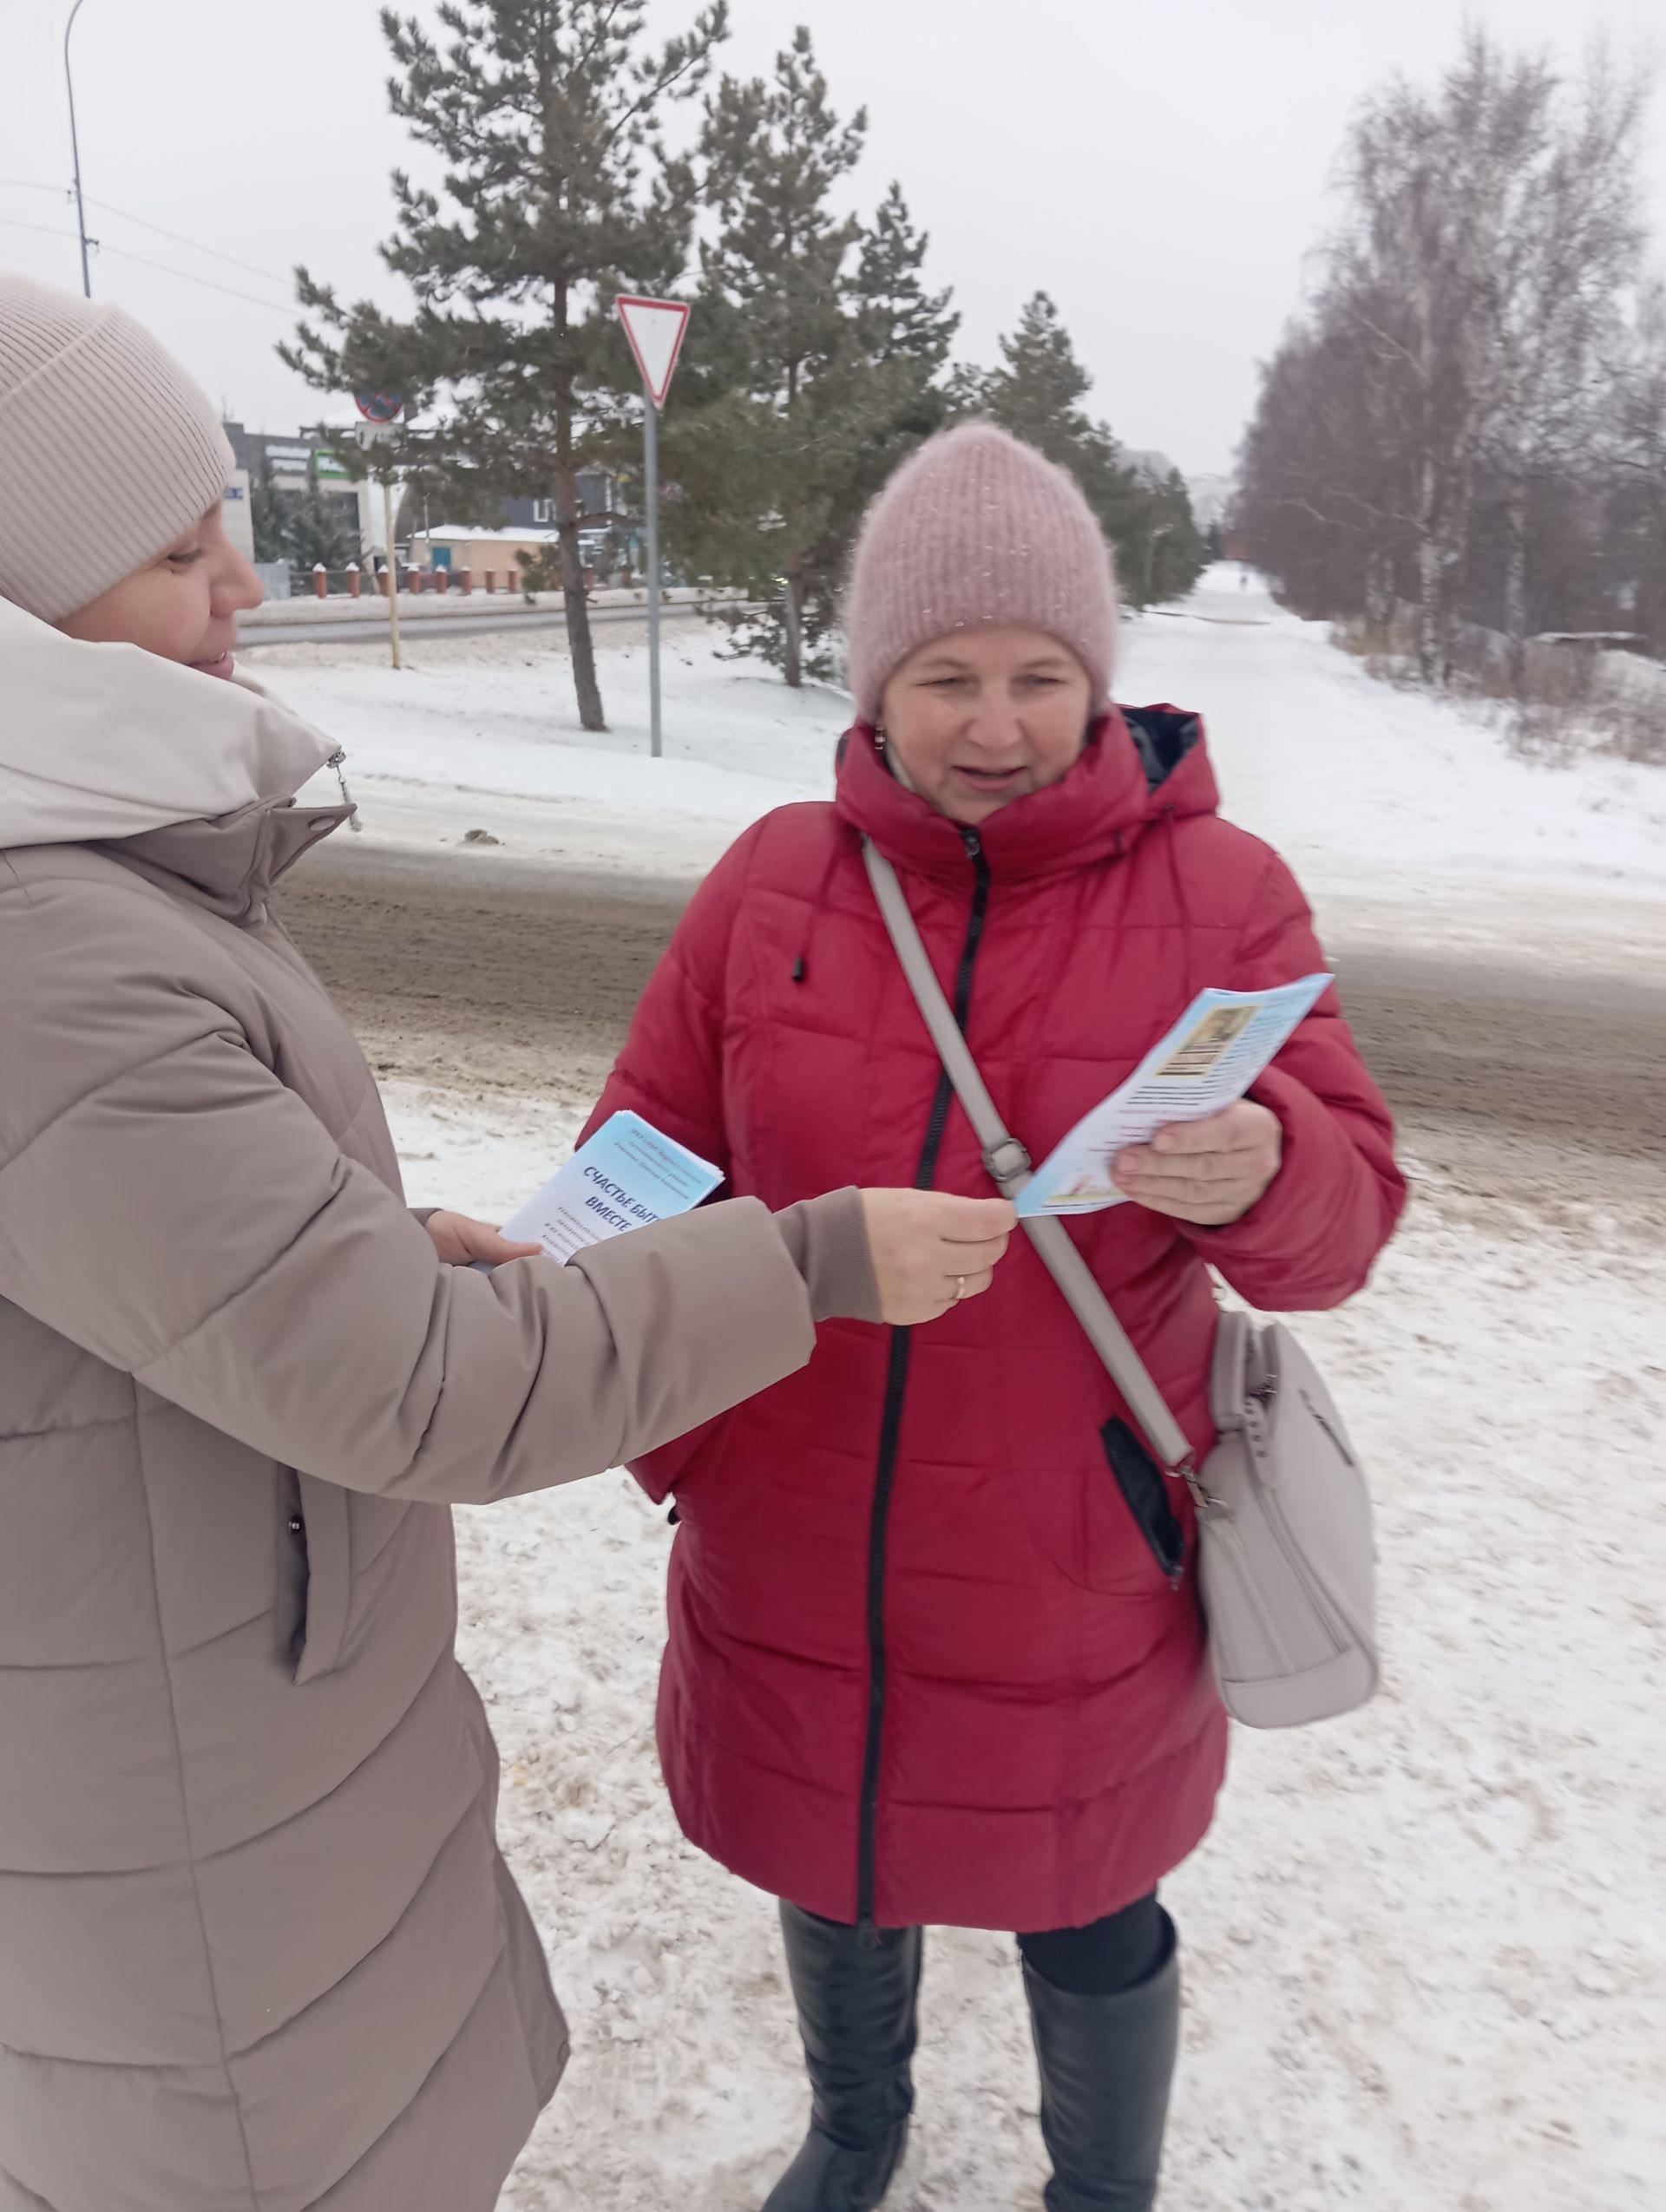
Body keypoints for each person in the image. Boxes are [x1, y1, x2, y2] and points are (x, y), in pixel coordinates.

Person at [0, 272, 1013, 2212]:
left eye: (228, 529)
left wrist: (354, 1249)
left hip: (215, 1757)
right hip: (191, 1853)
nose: (246, 585)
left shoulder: (86, 895)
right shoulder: (50, 949)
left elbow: (107, 1252)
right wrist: (803, 1263)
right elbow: (420, 1386)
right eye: (179, 552)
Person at [585, 422, 1407, 2210]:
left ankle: (1100, 2190)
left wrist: (1268, 1164)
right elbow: (643, 1154)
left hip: (1074, 1544)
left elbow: (1344, 1228)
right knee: (833, 1860)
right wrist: (630, 1384)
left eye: (1039, 676)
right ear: (876, 686)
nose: (994, 724)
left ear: (1100, 683)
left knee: (1086, 1890)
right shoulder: (773, 882)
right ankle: (856, 2129)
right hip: (795, 1522)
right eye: (946, 676)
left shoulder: (1222, 894)